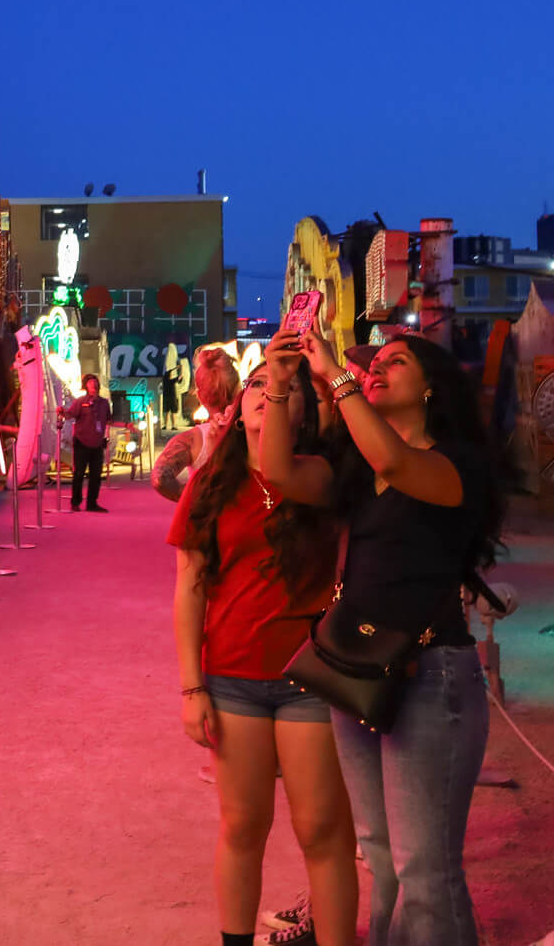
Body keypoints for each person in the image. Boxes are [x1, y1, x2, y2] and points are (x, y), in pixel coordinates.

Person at [258, 330, 506, 946]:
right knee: (383, 854)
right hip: (356, 668)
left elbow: (397, 463)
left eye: (396, 362)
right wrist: (280, 381)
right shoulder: (356, 469)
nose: (375, 369)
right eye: (373, 363)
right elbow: (276, 470)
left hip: (431, 675)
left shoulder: (457, 464)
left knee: (426, 869)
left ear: (430, 387)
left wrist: (336, 378)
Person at [171, 365, 352, 946]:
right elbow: (190, 585)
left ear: (303, 408)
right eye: (256, 385)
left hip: (311, 676)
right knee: (243, 826)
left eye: (283, 388)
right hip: (232, 675)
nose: (265, 394)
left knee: (321, 829)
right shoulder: (211, 485)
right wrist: (191, 685)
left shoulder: (321, 477)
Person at [156, 348, 245, 503]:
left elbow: (160, 479)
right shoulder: (256, 429)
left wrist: (196, 498)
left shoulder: (192, 439)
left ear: (199, 395)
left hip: (207, 523)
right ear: (239, 389)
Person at [60, 374, 113, 511]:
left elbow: (109, 420)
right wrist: (62, 412)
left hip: (97, 443)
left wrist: (126, 425)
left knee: (96, 475)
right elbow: (70, 415)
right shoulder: (80, 402)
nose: (93, 385)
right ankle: (75, 502)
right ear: (85, 386)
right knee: (79, 474)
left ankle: (92, 503)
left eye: (95, 382)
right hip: (82, 443)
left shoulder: (104, 403)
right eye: (90, 383)